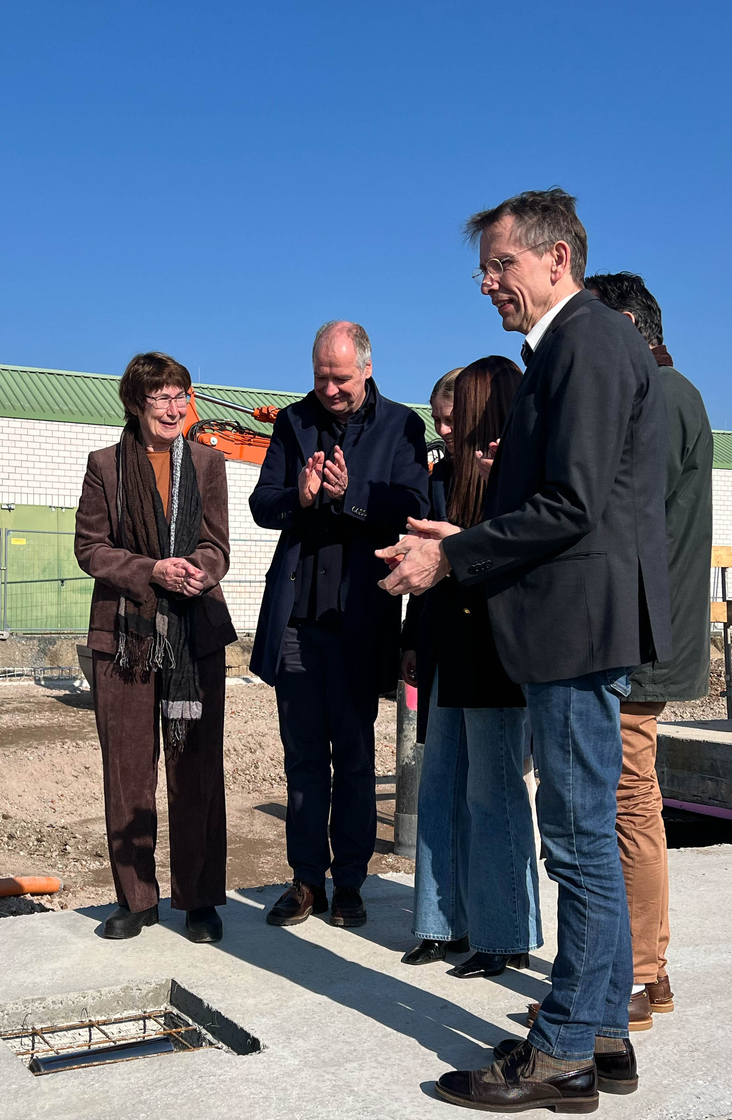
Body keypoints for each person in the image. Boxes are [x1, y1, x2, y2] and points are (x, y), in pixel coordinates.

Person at [378, 189, 671, 1112]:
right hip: (576, 625)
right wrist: (461, 529)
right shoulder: (575, 346)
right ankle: (605, 1032)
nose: (488, 282)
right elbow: (564, 500)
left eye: (502, 264)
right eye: (485, 268)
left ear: (557, 259)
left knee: (580, 840)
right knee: (587, 836)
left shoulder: (583, 341)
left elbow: (575, 503)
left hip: (575, 630)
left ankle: (560, 1052)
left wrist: (454, 554)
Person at [250, 320, 429, 929]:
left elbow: (414, 510)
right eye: (321, 376)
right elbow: (261, 503)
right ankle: (305, 881)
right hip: (298, 622)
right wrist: (299, 497)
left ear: (368, 369)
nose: (329, 388)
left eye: (341, 377)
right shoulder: (292, 422)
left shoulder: (403, 426)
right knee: (303, 759)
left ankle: (350, 882)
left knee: (352, 757)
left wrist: (352, 496)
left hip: (360, 620)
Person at [584, 271, 713, 1026]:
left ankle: (636, 974)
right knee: (633, 802)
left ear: (630, 325)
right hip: (648, 633)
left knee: (629, 805)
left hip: (641, 639)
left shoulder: (659, 398)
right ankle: (649, 970)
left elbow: (619, 513)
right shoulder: (679, 393)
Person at [75, 351, 236, 943]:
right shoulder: (105, 466)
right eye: (161, 397)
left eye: (181, 395)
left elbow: (217, 544)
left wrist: (198, 570)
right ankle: (136, 901)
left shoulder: (209, 462)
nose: (174, 408)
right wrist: (151, 571)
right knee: (127, 771)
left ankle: (199, 901)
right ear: (136, 404)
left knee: (196, 769)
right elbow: (91, 548)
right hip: (125, 639)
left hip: (194, 639)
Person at [399, 358, 543, 975]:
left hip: (497, 651)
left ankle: (505, 932)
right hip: (444, 647)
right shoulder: (442, 475)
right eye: (439, 422)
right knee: (439, 789)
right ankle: (439, 922)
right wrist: (411, 642)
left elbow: (517, 559)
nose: (447, 432)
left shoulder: (516, 477)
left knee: (495, 795)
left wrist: (461, 543)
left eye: (455, 420)